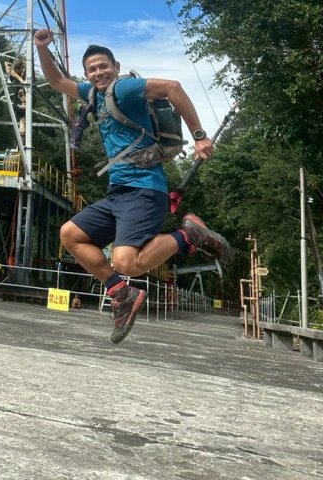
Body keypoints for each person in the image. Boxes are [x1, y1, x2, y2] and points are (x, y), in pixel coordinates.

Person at [34, 28, 233, 345]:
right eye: (92, 69)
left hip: (144, 188)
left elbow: (173, 87)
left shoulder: (125, 89)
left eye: (103, 66)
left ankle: (189, 234)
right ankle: (120, 293)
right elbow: (57, 82)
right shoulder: (92, 94)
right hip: (118, 193)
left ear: (115, 66)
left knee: (127, 262)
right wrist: (42, 48)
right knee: (70, 234)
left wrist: (199, 136)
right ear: (87, 74)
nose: (98, 72)